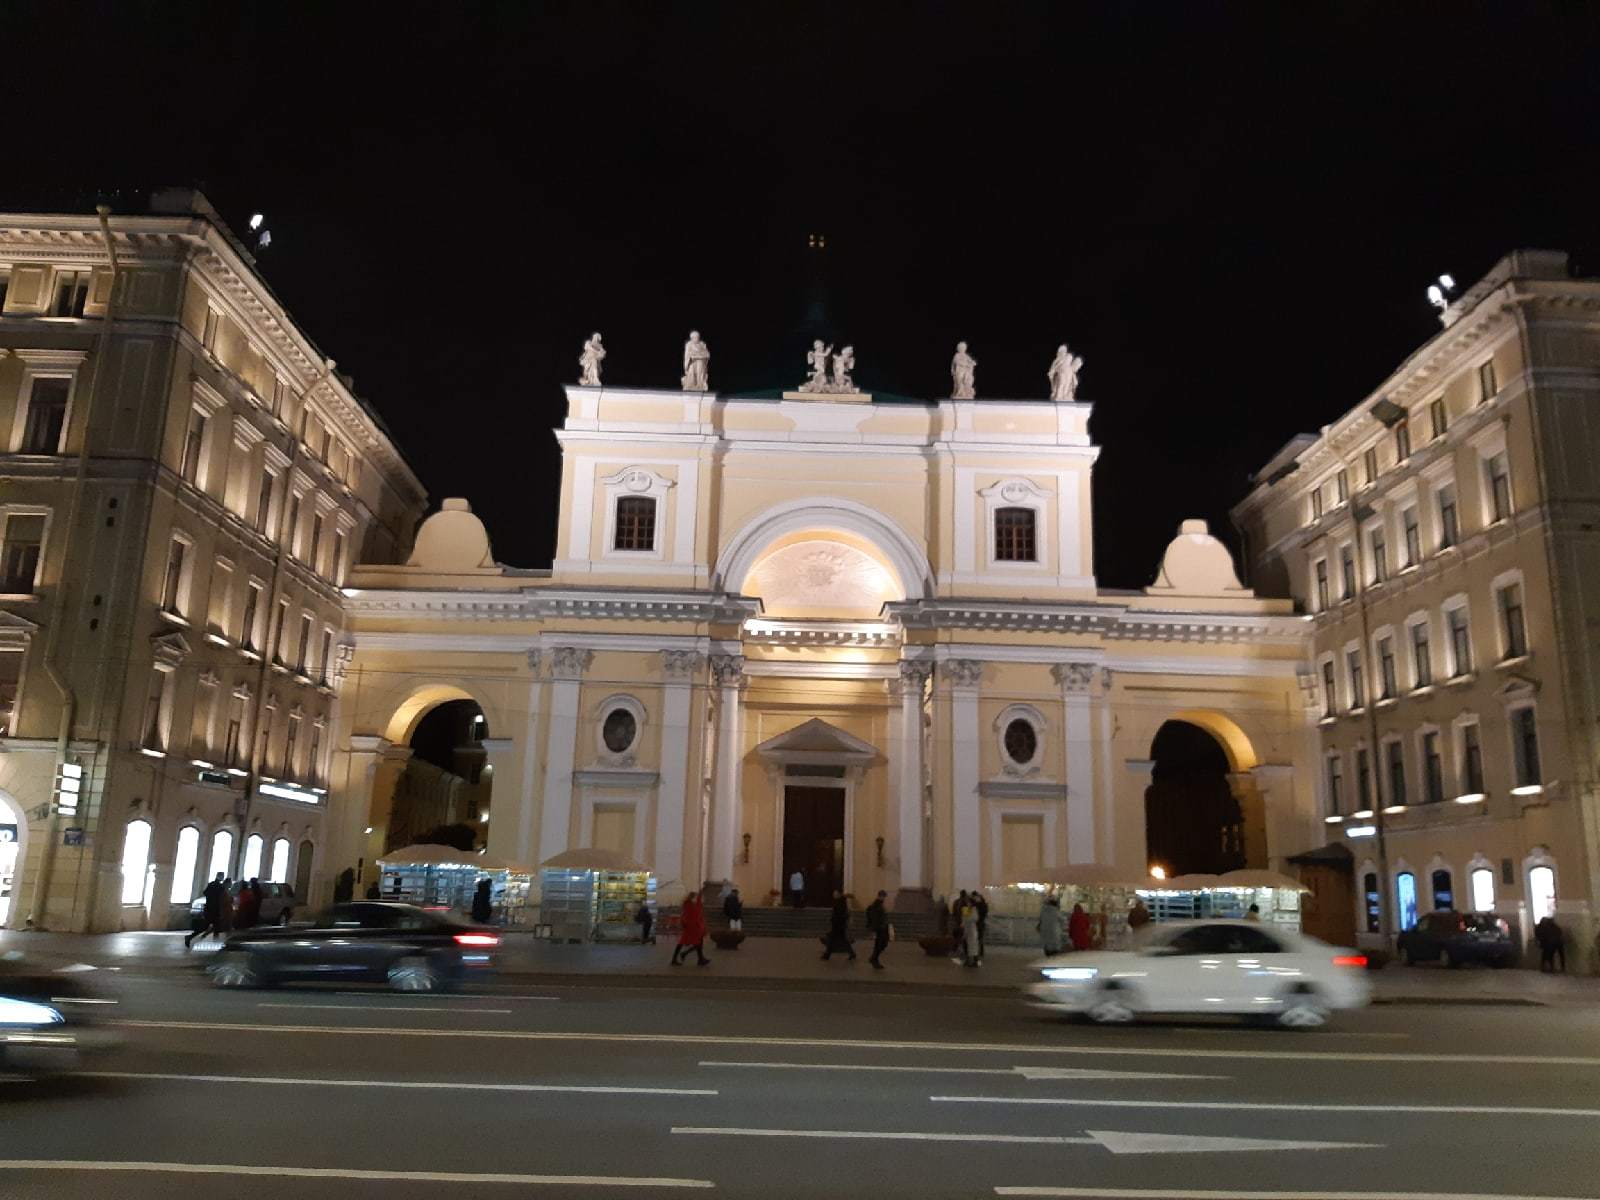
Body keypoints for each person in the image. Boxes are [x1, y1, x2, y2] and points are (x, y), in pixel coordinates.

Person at [186, 871, 228, 949]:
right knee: (210, 927)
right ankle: (190, 937)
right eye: (222, 876)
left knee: (212, 927)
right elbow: (221, 898)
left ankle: (215, 943)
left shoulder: (212, 884)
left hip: (210, 909)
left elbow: (205, 893)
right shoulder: (219, 886)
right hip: (214, 910)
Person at [672, 891, 709, 966]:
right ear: (693, 898)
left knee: (697, 942)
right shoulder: (688, 904)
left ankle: (700, 959)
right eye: (696, 897)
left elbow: (698, 912)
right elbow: (693, 914)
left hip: (693, 927)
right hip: (690, 927)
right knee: (683, 943)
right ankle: (676, 958)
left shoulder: (691, 904)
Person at [822, 890, 856, 961]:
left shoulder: (840, 902)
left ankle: (827, 955)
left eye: (835, 894)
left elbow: (839, 914)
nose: (833, 895)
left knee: (832, 940)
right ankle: (852, 954)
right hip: (839, 925)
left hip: (838, 925)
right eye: (833, 894)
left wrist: (833, 920)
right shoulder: (841, 902)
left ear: (839, 894)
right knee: (841, 940)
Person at [865, 890, 890, 969]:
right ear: (879, 896)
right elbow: (874, 918)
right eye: (882, 896)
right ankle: (874, 960)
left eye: (884, 896)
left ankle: (873, 958)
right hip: (879, 928)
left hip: (882, 928)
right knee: (879, 945)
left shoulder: (880, 904)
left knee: (882, 944)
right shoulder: (876, 905)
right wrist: (873, 930)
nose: (883, 898)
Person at [960, 892, 982, 967]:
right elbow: (963, 918)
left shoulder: (974, 909)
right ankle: (968, 960)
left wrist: (967, 918)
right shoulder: (966, 909)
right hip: (967, 929)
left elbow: (975, 918)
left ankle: (974, 961)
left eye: (968, 902)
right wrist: (963, 924)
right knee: (967, 945)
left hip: (972, 929)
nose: (967, 903)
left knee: (973, 946)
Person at [973, 890, 989, 958]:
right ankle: (981, 951)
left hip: (977, 922)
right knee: (980, 937)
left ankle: (977, 952)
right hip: (981, 922)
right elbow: (985, 912)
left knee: (977, 937)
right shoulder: (983, 903)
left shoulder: (977, 903)